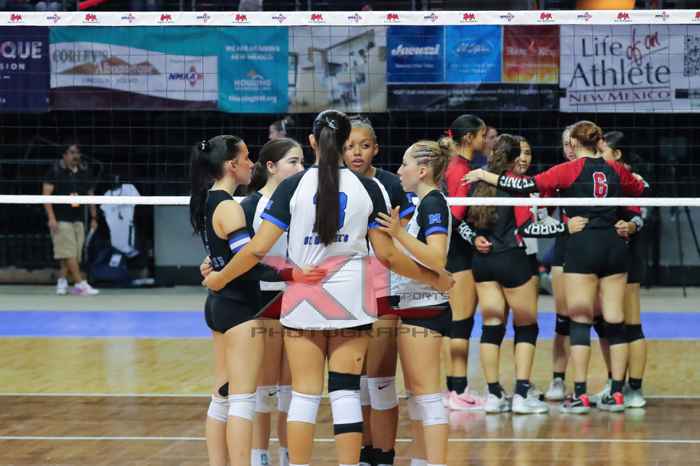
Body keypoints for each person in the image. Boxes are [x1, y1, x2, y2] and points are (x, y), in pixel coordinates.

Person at [203, 110, 452, 466]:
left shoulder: (292, 186)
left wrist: (220, 277)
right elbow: (388, 255)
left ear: (312, 142)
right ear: (346, 141)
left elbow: (257, 250)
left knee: (304, 396)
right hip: (352, 301)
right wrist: (434, 278)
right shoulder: (370, 188)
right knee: (346, 392)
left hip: (304, 299)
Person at [465, 121, 649, 414]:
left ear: (574, 143)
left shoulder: (569, 169)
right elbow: (640, 188)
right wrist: (631, 209)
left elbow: (525, 185)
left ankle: (580, 395)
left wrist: (484, 174)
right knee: (615, 321)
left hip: (582, 244)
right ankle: (617, 393)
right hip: (614, 246)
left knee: (579, 320)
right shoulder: (615, 168)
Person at [461, 134, 586, 415]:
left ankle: (494, 395)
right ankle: (520, 394)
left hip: (483, 262)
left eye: (529, 153)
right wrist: (565, 228)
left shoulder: (477, 182)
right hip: (514, 260)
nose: (525, 158)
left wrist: (474, 239)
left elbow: (459, 222)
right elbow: (527, 229)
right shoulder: (519, 188)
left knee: (492, 326)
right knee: (526, 326)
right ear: (510, 156)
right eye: (521, 153)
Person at [376, 139, 453, 466]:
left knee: (427, 394)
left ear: (422, 170)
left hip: (426, 307)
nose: (399, 170)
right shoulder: (424, 204)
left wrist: (398, 233)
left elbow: (437, 258)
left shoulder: (434, 202)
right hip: (413, 305)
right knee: (417, 395)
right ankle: (421, 460)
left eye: (405, 164)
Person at [342, 115, 415, 466]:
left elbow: (405, 234)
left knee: (381, 378)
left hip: (383, 284)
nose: (357, 152)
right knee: (352, 379)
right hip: (342, 290)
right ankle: (364, 451)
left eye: (364, 145)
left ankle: (384, 455)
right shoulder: (329, 184)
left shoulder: (389, 184)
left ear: (376, 149)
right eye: (349, 146)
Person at [242, 138, 305, 466]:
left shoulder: (304, 203)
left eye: (302, 161)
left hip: (299, 298)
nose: (301, 168)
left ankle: (288, 456)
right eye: (293, 162)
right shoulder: (250, 205)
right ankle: (259, 456)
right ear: (270, 166)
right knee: (264, 388)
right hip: (263, 299)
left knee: (291, 390)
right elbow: (238, 254)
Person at [591, 131, 648, 409]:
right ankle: (614, 382)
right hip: (604, 256)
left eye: (602, 152)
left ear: (617, 154)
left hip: (628, 256)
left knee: (631, 324)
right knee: (606, 325)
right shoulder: (598, 178)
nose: (597, 157)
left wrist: (631, 226)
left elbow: (639, 215)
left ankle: (634, 388)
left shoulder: (631, 179)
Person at [441, 114, 488, 411]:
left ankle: (455, 389)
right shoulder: (460, 168)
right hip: (458, 254)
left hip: (454, 252)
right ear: (469, 138)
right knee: (460, 323)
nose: (485, 140)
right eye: (482, 135)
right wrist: (474, 236)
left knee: (458, 323)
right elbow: (455, 216)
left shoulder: (456, 165)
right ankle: (456, 391)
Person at [544, 125, 576, 402]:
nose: (570, 149)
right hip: (565, 248)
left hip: (599, 250)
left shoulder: (603, 174)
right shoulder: (558, 176)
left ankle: (611, 385)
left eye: (574, 143)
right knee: (563, 320)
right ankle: (558, 380)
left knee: (599, 321)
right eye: (566, 144)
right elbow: (539, 212)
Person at [42, 142, 99, 296]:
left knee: (72, 254)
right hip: (61, 219)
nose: (75, 156)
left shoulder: (84, 171)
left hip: (78, 219)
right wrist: (51, 218)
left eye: (77, 153)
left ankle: (62, 281)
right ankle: (80, 284)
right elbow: (46, 196)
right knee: (69, 253)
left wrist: (94, 217)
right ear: (65, 155)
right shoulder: (55, 170)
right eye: (72, 152)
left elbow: (90, 195)